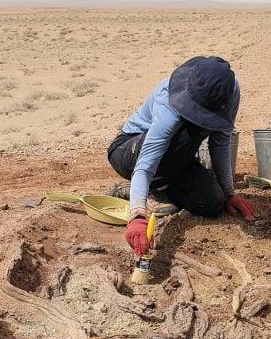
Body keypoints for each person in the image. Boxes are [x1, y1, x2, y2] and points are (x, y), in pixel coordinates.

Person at [107, 56, 256, 256]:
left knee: (212, 203)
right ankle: (144, 191)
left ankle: (158, 187)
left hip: (176, 159)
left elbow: (220, 143)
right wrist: (137, 215)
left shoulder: (229, 93)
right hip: (128, 152)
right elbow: (146, 165)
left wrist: (229, 193)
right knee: (186, 134)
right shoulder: (168, 100)